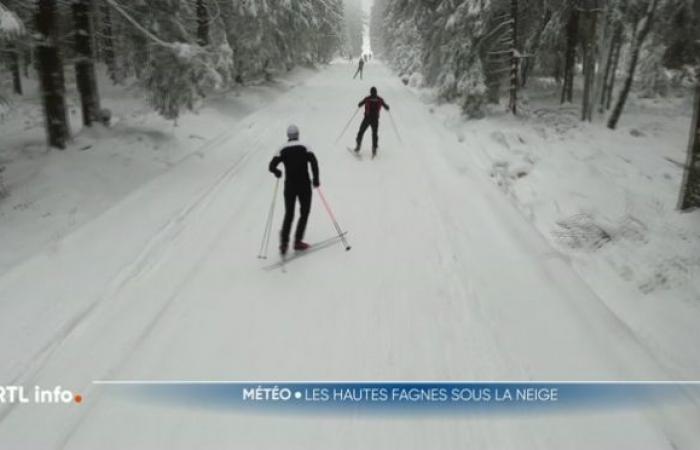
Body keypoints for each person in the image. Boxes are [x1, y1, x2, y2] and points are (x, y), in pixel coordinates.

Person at [269, 125, 320, 255]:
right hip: (304, 185)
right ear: (298, 134)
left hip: (290, 186)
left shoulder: (282, 149)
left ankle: (284, 244)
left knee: (289, 214)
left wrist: (277, 172)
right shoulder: (305, 146)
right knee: (304, 212)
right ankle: (297, 241)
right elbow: (314, 162)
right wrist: (316, 179)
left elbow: (271, 166)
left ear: (288, 135)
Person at [354, 87, 390, 158]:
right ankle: (374, 149)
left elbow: (359, 104)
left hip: (367, 118)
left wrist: (360, 104)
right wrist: (387, 107)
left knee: (361, 132)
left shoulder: (367, 98)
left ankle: (358, 146)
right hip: (375, 119)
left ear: (370, 92)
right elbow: (386, 107)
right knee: (374, 134)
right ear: (376, 92)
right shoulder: (380, 99)